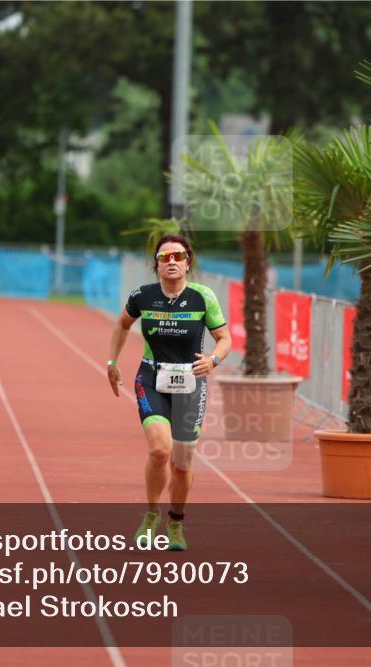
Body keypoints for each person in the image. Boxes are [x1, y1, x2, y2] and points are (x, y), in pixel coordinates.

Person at [107, 235, 231, 551]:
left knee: (182, 463)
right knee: (160, 450)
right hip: (151, 377)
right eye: (165, 257)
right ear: (158, 265)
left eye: (178, 256)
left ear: (188, 262)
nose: (172, 262)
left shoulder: (203, 297)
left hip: (191, 383)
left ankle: (175, 524)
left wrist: (213, 359)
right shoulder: (143, 296)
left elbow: (224, 337)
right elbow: (122, 325)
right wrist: (112, 361)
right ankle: (151, 515)